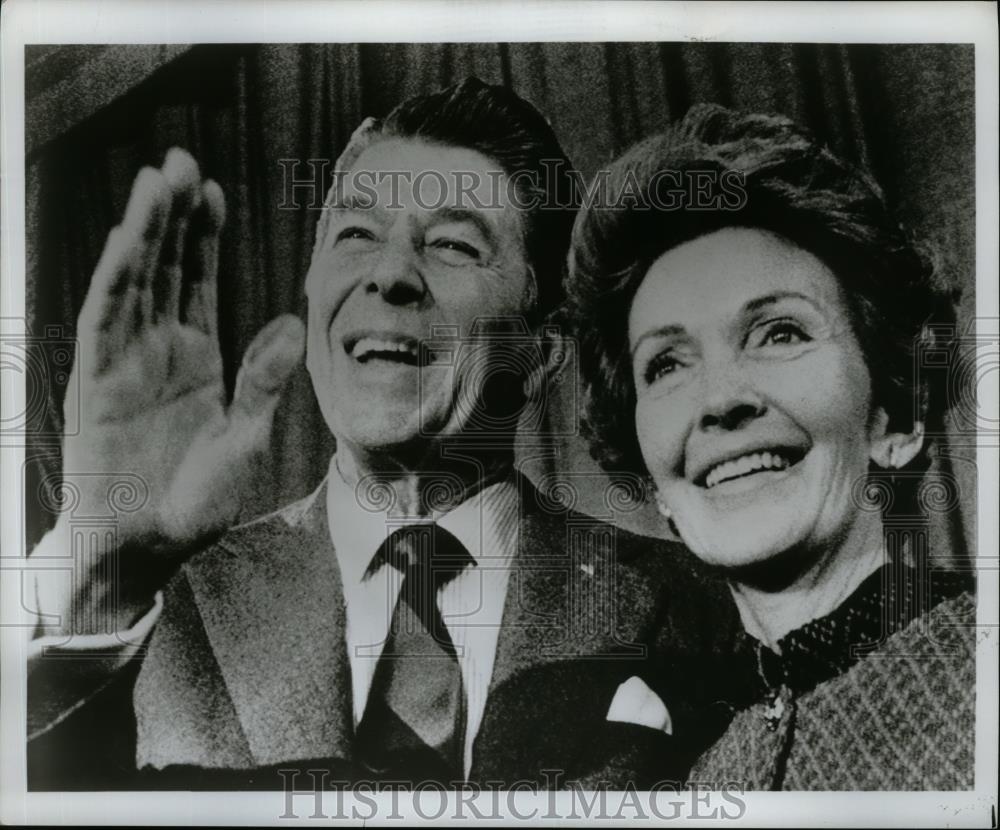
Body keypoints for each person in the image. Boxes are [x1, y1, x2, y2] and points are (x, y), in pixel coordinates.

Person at [26, 79, 738, 790]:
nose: (391, 273)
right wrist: (99, 582)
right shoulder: (147, 609)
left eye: (455, 245)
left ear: (542, 352)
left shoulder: (703, 608)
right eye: (357, 234)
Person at [565, 103, 976, 790]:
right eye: (665, 364)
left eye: (780, 332)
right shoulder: (693, 779)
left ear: (895, 418)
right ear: (656, 487)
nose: (720, 400)